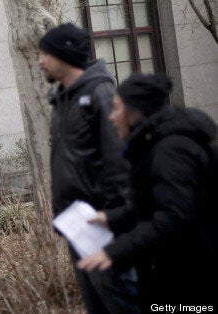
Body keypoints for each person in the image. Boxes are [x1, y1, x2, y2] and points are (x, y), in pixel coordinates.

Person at [77, 73, 217, 310]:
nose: (112, 118)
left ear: (135, 112)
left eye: (117, 109)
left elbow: (172, 218)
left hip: (190, 277)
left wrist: (113, 252)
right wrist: (110, 217)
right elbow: (158, 204)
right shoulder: (156, 144)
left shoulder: (171, 151)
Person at [38, 22, 139, 313]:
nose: (40, 61)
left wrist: (114, 216)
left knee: (123, 303)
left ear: (65, 55)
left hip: (103, 225)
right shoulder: (63, 98)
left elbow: (119, 159)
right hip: (78, 225)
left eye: (45, 54)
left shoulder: (100, 92)